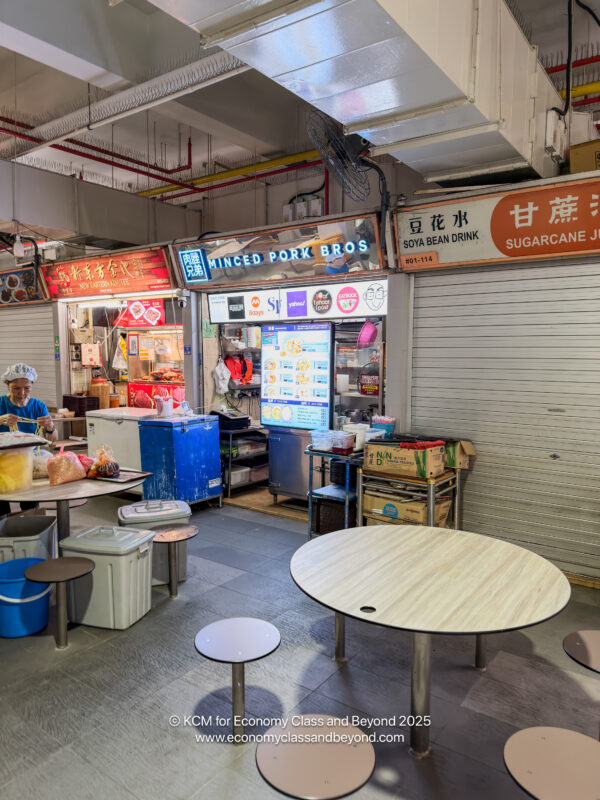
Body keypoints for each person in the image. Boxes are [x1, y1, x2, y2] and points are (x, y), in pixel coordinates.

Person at [0, 363, 57, 516]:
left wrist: (50, 426)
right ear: (7, 385)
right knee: (2, 502)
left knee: (30, 503)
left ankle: (30, 531)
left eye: (27, 388)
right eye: (16, 388)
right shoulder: (1, 404)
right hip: (3, 464)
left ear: (32, 386)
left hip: (28, 463)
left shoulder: (38, 406)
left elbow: (51, 439)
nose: (21, 393)